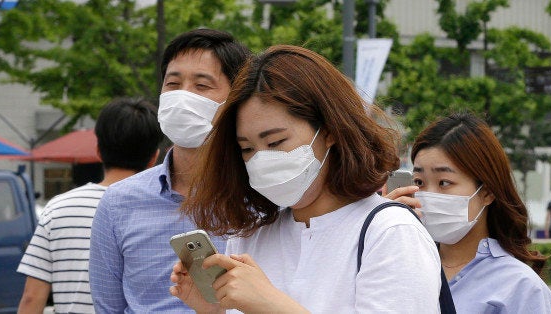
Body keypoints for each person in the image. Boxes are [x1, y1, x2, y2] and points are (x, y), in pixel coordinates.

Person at [169, 45, 441, 312]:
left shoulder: (390, 232)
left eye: (275, 142)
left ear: (329, 131)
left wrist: (271, 305)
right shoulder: (252, 237)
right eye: (247, 149)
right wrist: (213, 310)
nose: (262, 160)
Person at [88, 29, 251, 312]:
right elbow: (108, 308)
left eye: (202, 86)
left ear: (235, 98)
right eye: (173, 83)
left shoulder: (262, 198)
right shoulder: (118, 202)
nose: (182, 96)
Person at [386, 112, 551, 313]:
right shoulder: (402, 268)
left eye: (444, 182)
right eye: (419, 182)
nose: (427, 196)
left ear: (487, 192)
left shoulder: (519, 286)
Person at [16, 97, 163, 313]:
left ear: (98, 151)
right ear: (154, 157)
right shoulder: (163, 212)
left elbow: (32, 297)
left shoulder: (57, 209)